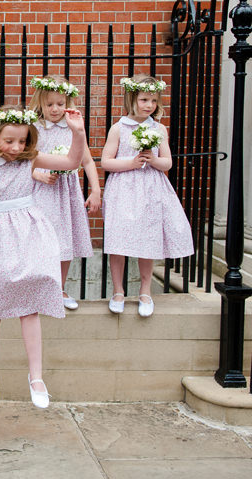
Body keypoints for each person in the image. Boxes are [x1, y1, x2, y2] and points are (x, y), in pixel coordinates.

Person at [0, 106, 87, 409]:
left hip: (27, 232)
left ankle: (36, 377)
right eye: (9, 141)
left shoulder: (30, 160)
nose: (16, 148)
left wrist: (78, 132)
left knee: (30, 306)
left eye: (22, 141)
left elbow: (72, 162)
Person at [101, 74, 193, 317]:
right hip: (123, 189)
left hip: (151, 189)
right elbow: (106, 162)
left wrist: (153, 160)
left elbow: (168, 163)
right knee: (118, 240)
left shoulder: (158, 128)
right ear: (132, 99)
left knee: (148, 240)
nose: (149, 105)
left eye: (153, 100)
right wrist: (131, 162)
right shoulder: (118, 128)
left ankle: (145, 291)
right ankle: (118, 291)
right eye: (144, 99)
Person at [29, 76, 101, 310]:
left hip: (66, 193)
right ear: (40, 102)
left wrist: (96, 190)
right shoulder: (34, 128)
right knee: (38, 240)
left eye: (60, 103)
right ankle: (38, 291)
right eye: (49, 104)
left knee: (63, 240)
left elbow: (87, 161)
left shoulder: (73, 127)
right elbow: (22, 162)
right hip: (40, 192)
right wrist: (39, 175)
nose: (55, 109)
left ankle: (58, 289)